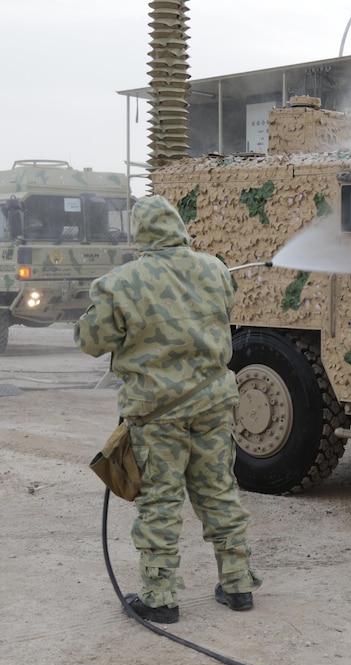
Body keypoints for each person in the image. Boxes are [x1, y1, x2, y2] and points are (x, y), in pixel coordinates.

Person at [75, 194, 261, 624]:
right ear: (178, 226)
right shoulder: (214, 268)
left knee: (159, 501)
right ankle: (238, 584)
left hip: (158, 414)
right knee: (218, 491)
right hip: (214, 405)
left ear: (139, 232)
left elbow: (89, 341)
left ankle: (160, 597)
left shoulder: (120, 282)